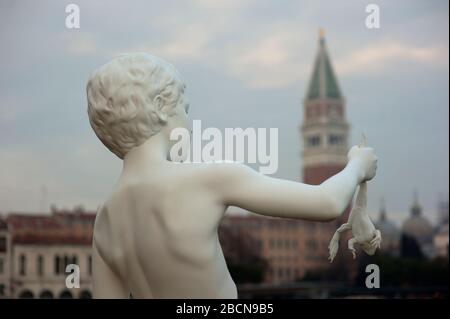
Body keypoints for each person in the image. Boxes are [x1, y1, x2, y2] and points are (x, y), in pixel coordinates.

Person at [86, 53, 378, 298]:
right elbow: (327, 203)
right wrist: (358, 165)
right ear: (162, 108)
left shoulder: (105, 219)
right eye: (183, 110)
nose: (188, 125)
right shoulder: (209, 179)